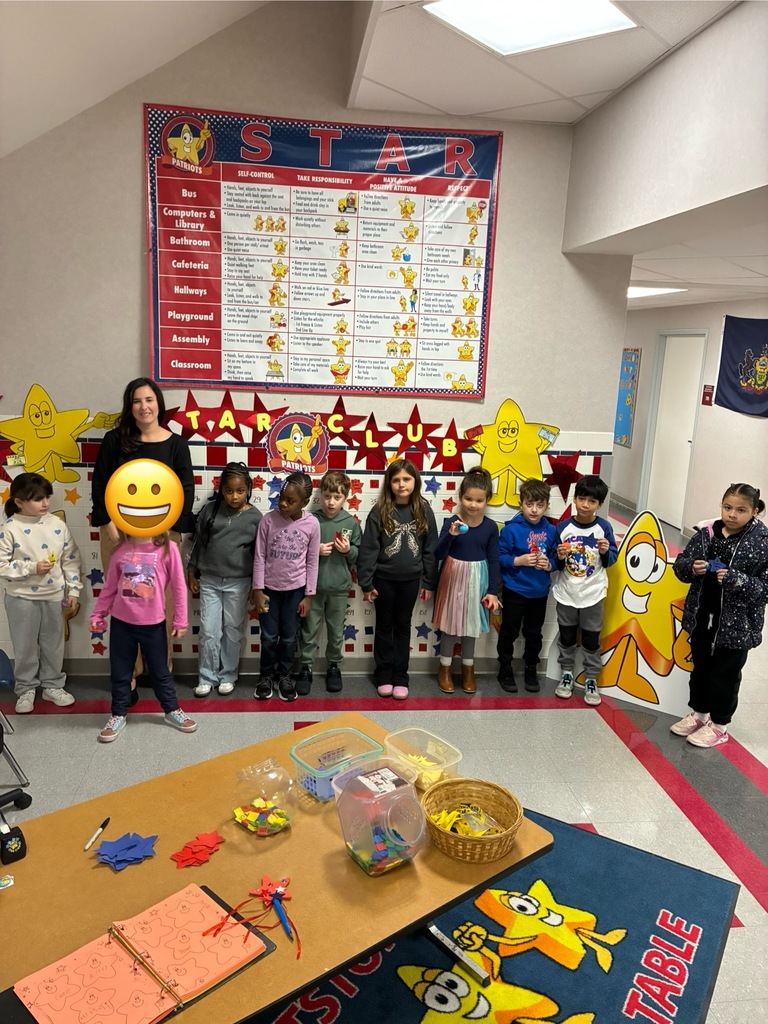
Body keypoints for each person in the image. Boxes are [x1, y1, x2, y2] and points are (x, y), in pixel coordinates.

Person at [91, 378, 194, 685]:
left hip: (162, 539)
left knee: (160, 603)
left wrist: (170, 531)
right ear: (130, 407)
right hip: (118, 535)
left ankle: (161, 670)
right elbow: (101, 483)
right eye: (136, 401)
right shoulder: (115, 440)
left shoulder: (176, 445)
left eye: (149, 400)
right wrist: (106, 521)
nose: (143, 407)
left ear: (158, 404)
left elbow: (184, 490)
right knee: (126, 602)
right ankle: (129, 675)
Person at [670, 482, 768, 748]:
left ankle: (720, 724)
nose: (732, 515)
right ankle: (699, 714)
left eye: (741, 510)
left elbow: (765, 589)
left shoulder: (762, 543)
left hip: (737, 625)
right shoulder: (706, 533)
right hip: (703, 617)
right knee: (700, 667)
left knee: (725, 674)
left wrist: (737, 579)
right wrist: (692, 567)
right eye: (727, 507)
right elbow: (680, 567)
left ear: (755, 511)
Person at [89, 529, 196, 742]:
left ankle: (172, 709)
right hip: (122, 623)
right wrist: (98, 614)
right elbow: (110, 587)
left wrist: (181, 620)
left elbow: (178, 586)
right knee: (120, 673)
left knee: (160, 671)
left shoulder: (169, 548)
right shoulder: (121, 550)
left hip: (153, 624)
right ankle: (118, 713)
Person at [0, 473, 82, 714]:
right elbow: (1, 565)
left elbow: (71, 560)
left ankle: (53, 685)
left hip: (54, 596)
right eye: (37, 499)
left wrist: (74, 590)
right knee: (24, 646)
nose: (45, 503)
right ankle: (25, 689)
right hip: (20, 598)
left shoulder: (57, 525)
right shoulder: (10, 528)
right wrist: (30, 568)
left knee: (53, 644)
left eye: (47, 497)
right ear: (19, 502)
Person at [358, 459, 438, 700]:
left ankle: (401, 677)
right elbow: (369, 549)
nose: (401, 484)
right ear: (389, 483)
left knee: (403, 627)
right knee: (383, 627)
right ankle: (383, 675)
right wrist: (366, 582)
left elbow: (430, 549)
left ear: (415, 481)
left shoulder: (423, 510)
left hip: (411, 581)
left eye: (406, 479)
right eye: (396, 480)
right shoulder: (380, 510)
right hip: (383, 580)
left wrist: (428, 582)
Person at [187, 463, 262, 698]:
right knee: (209, 631)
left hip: (239, 583)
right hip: (209, 580)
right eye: (229, 491)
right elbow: (199, 544)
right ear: (222, 490)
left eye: (240, 491)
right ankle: (206, 677)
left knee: (232, 630)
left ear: (248, 489)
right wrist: (191, 570)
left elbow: (259, 555)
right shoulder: (210, 510)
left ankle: (228, 675)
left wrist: (256, 585)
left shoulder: (255, 517)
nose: (234, 496)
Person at [252, 472, 320, 703]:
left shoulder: (311, 524)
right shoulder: (267, 521)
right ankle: (266, 676)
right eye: (282, 497)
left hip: (295, 592)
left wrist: (309, 595)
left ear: (304, 502)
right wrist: (258, 590)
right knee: (269, 637)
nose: (283, 503)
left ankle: (284, 676)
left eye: (290, 501)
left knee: (290, 638)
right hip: (269, 590)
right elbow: (259, 556)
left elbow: (312, 561)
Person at [432, 466, 500, 694]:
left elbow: (493, 561)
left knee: (470, 628)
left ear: (487, 500)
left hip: (477, 581)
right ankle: (445, 669)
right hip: (452, 579)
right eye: (468, 498)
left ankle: (469, 670)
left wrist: (492, 590)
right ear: (460, 497)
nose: (473, 504)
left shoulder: (490, 527)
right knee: (450, 628)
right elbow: (438, 554)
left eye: (479, 500)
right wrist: (450, 536)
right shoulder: (451, 522)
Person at [552, 475, 617, 706]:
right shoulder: (563, 527)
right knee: (567, 636)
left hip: (593, 593)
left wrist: (605, 551)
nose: (585, 505)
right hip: (567, 591)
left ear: (599, 504)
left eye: (591, 501)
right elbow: (555, 562)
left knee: (591, 639)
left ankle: (591, 678)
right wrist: (559, 556)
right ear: (575, 499)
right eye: (581, 499)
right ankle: (567, 674)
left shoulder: (604, 527)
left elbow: (612, 560)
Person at [296, 471, 362, 695]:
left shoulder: (351, 523)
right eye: (326, 496)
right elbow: (297, 550)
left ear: (345, 498)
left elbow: (359, 555)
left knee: (335, 632)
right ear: (320, 496)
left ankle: (334, 666)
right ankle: (305, 668)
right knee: (308, 631)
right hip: (311, 589)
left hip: (339, 589)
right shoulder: (311, 519)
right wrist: (313, 551)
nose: (331, 502)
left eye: (337, 497)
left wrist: (348, 551)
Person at [496, 478, 557, 693]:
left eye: (540, 505)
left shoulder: (551, 530)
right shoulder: (511, 530)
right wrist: (518, 561)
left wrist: (549, 564)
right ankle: (504, 668)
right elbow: (499, 558)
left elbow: (556, 559)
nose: (534, 510)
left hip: (539, 593)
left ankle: (531, 667)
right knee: (509, 632)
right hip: (515, 591)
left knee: (534, 633)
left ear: (547, 506)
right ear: (521, 504)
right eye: (530, 504)